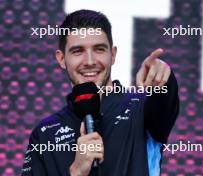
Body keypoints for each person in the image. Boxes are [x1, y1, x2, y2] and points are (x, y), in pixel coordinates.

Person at [21, 9, 179, 176]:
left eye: (99, 49)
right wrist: (76, 172)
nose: (89, 61)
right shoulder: (45, 132)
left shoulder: (142, 107)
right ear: (61, 59)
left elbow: (165, 100)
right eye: (78, 51)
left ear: (113, 54)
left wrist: (163, 76)